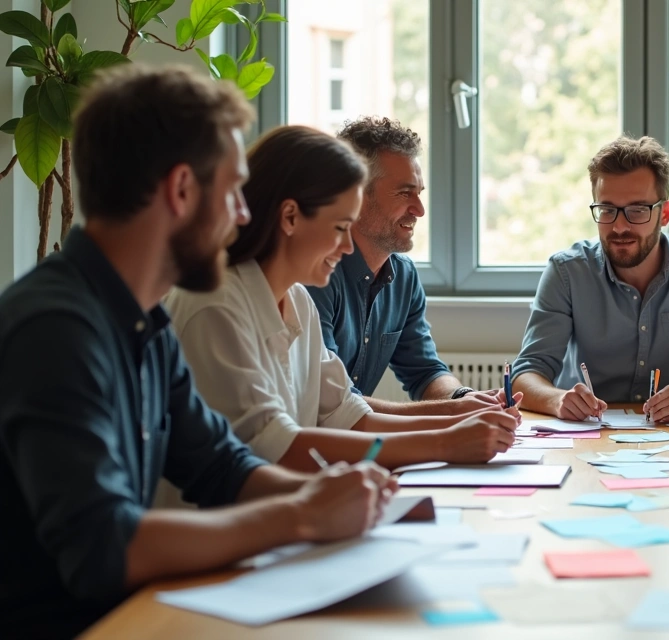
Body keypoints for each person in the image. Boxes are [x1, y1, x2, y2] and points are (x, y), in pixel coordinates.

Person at [0, 65, 394, 638]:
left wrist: (329, 494)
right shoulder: (55, 328)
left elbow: (219, 465)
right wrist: (303, 515)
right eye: (233, 191)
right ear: (181, 190)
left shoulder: (146, 321)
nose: (244, 214)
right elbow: (105, 545)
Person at [166, 126, 519, 473]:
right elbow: (276, 448)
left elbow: (349, 416)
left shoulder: (298, 300)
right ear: (290, 217)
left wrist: (458, 420)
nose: (348, 246)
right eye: (339, 228)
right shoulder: (216, 305)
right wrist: (445, 442)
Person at [512, 135, 669, 423]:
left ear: (665, 213)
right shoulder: (566, 272)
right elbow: (526, 373)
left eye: (637, 210)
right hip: (587, 430)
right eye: (607, 210)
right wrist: (557, 400)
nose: (619, 226)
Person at [307, 117, 506, 415]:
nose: (420, 210)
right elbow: (330, 403)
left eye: (419, 193)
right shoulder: (316, 272)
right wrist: (445, 416)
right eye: (404, 193)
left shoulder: (403, 276)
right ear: (357, 196)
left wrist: (464, 399)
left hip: (357, 438)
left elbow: (424, 371)